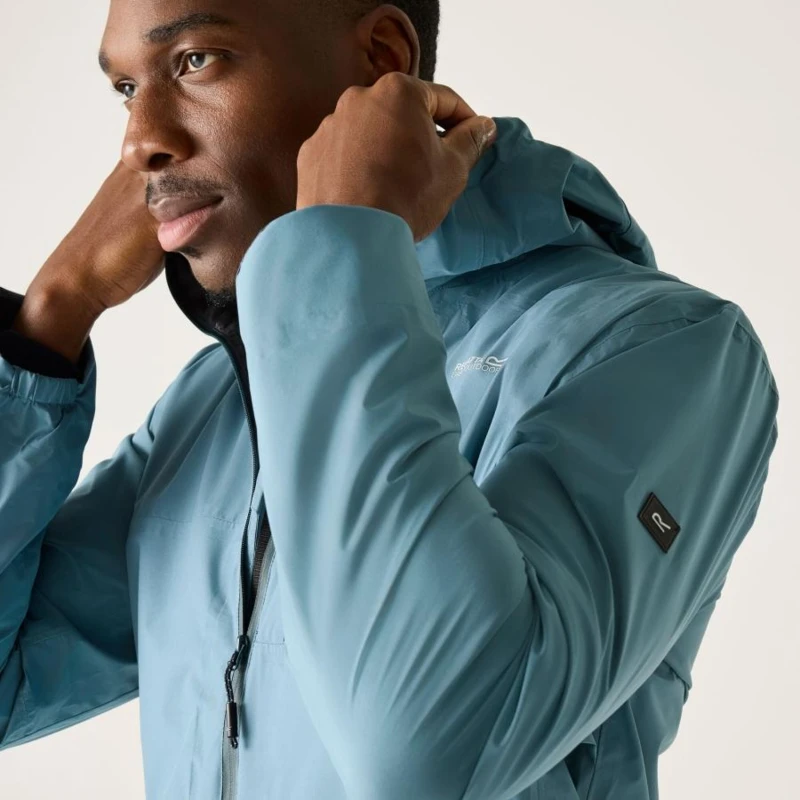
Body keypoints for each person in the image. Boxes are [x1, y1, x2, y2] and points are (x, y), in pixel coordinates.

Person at [0, 1, 780, 798]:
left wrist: (344, 238)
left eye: (195, 60)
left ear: (380, 59)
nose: (139, 141)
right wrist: (53, 314)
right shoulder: (219, 399)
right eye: (127, 89)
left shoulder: (662, 347)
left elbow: (431, 750)